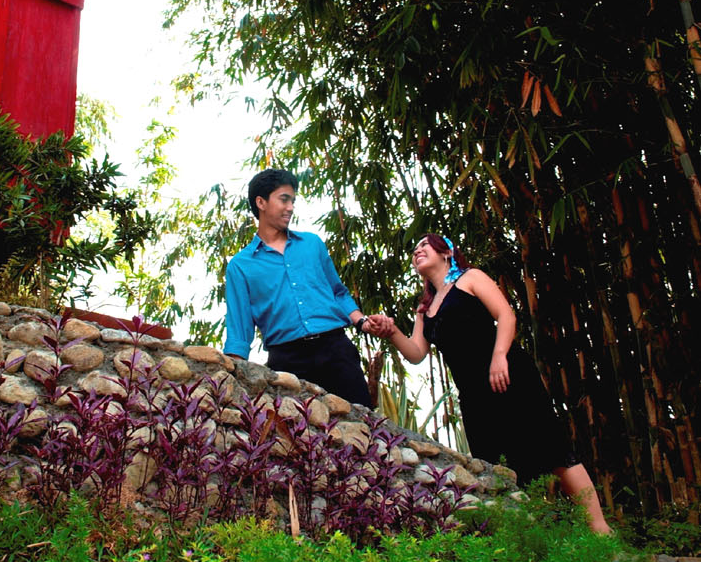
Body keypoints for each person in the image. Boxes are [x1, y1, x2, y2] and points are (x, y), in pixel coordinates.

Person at [366, 233, 612, 534]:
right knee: (497, 466)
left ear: (446, 252)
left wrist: (499, 356)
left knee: (551, 448)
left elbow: (505, 314)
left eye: (424, 245)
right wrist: (391, 332)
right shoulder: (424, 309)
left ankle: (600, 530)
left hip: (508, 375)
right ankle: (527, 535)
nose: (417, 250)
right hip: (474, 395)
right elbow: (416, 353)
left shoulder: (471, 278)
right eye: (415, 249)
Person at [224, 169, 374, 406]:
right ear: (261, 202)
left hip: (336, 350)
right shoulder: (240, 266)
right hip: (287, 363)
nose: (290, 207)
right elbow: (239, 330)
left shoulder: (312, 244)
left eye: (293, 201)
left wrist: (362, 321)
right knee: (298, 429)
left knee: (361, 424)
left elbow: (338, 292)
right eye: (284, 199)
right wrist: (230, 382)